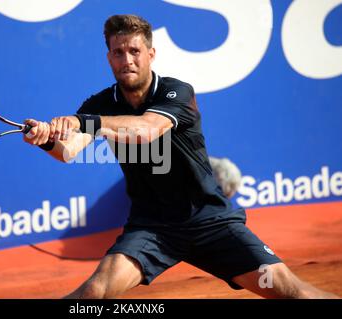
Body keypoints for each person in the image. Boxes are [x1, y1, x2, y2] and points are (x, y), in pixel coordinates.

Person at [23, 14, 338, 299]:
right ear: (109, 58)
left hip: (210, 221)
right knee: (94, 293)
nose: (127, 60)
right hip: (151, 228)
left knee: (291, 292)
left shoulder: (177, 92)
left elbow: (147, 129)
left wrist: (83, 122)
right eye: (118, 53)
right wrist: (43, 139)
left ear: (151, 54)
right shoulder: (100, 103)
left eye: (134, 51)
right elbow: (68, 151)